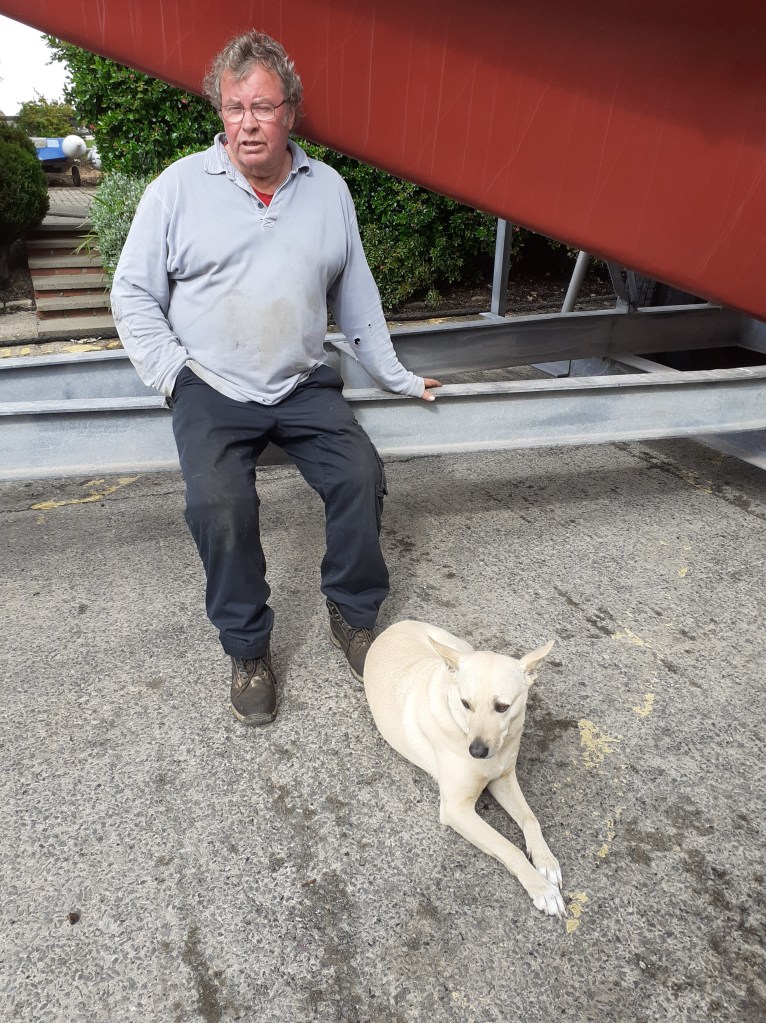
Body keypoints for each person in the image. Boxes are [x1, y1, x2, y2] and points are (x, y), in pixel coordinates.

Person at [110, 29, 441, 727]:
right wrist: (174, 375)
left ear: (289, 111)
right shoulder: (178, 189)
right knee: (220, 504)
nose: (248, 124)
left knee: (359, 474)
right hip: (211, 383)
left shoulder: (328, 191)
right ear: (221, 113)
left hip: (300, 380)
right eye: (234, 108)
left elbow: (357, 298)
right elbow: (132, 292)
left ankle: (353, 615)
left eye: (262, 107)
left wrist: (398, 377)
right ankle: (248, 649)